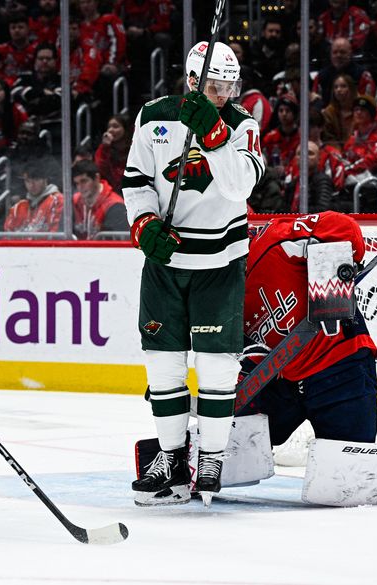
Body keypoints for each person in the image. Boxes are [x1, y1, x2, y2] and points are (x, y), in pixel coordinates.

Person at [123, 41, 264, 506]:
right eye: (215, 86)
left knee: (217, 366)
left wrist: (217, 137)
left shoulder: (243, 125)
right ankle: (169, 457)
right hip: (166, 262)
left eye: (228, 86)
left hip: (219, 264)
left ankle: (212, 458)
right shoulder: (153, 117)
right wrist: (142, 223)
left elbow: (240, 184)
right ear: (191, 81)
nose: (223, 94)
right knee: (163, 367)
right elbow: (137, 180)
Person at [239, 211, 377, 450]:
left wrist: (331, 259)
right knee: (232, 451)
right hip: (281, 384)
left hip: (341, 369)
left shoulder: (271, 239)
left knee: (345, 476)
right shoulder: (209, 288)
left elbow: (343, 226)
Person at [4, 160, 64, 234]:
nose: (31, 185)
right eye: (28, 181)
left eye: (36, 180)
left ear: (45, 179)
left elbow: (55, 235)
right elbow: (7, 237)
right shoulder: (18, 207)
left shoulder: (57, 201)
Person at [72, 159, 128, 239]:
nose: (80, 187)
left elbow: (120, 243)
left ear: (97, 178)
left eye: (84, 181)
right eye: (77, 183)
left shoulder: (115, 205)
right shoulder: (74, 201)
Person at [94, 114, 132, 194]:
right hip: (112, 192)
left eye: (115, 126)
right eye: (109, 127)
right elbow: (100, 168)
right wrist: (105, 147)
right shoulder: (104, 148)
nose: (110, 130)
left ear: (125, 128)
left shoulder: (136, 146)